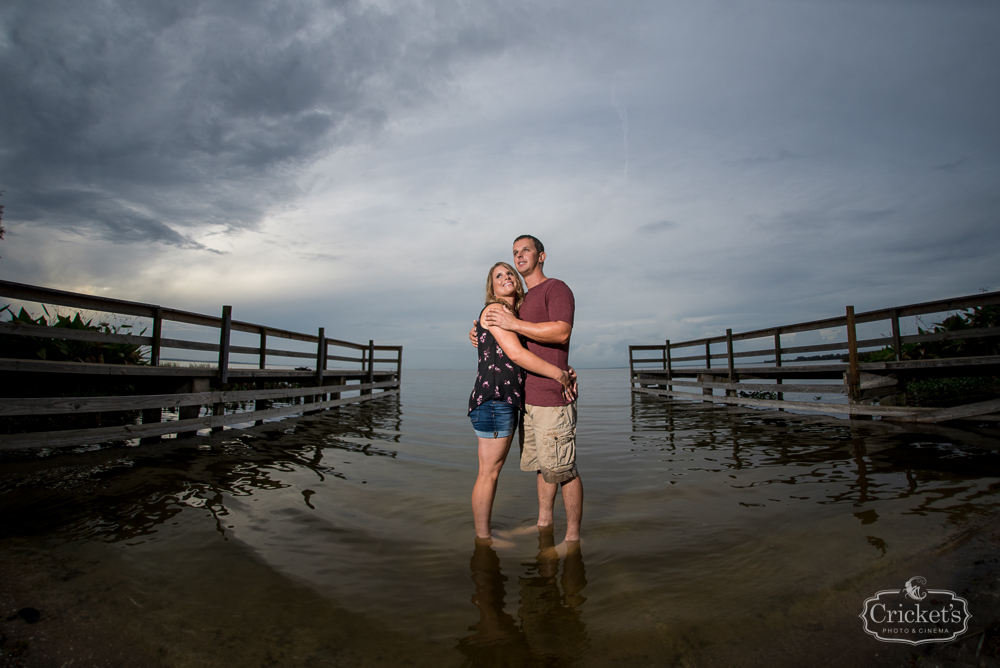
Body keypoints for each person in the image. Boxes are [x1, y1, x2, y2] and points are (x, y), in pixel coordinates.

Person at [470, 235, 583, 543]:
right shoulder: (503, 310)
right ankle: (504, 535)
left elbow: (560, 333)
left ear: (541, 256)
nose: (517, 260)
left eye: (525, 251)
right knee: (530, 468)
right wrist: (481, 328)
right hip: (509, 400)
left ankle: (572, 538)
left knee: (562, 468)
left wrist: (562, 373)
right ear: (491, 287)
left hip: (539, 398)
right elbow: (515, 351)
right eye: (514, 253)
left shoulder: (547, 292)